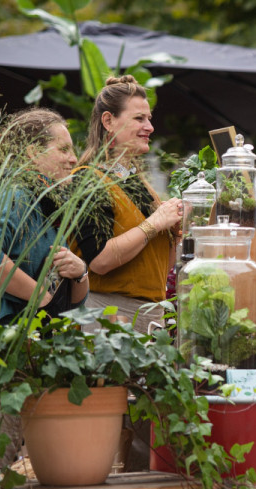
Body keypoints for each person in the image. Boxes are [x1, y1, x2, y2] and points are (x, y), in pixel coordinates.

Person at [74, 75, 183, 333]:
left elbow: (159, 267)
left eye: (149, 119)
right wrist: (154, 223)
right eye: (139, 118)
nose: (150, 127)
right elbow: (99, 261)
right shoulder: (88, 179)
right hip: (109, 318)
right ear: (108, 121)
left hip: (149, 316)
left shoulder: (136, 182)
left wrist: (175, 231)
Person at [0, 108, 87, 325]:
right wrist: (42, 297)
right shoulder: (17, 194)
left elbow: (68, 306)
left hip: (23, 335)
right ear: (33, 153)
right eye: (64, 149)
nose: (74, 159)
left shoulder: (47, 203)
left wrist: (80, 273)